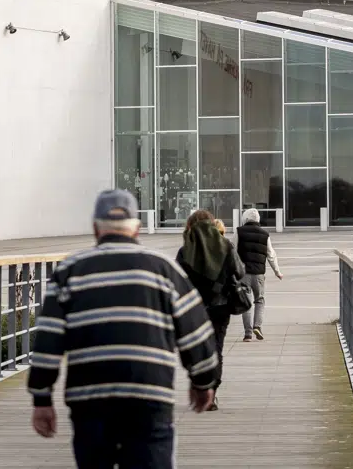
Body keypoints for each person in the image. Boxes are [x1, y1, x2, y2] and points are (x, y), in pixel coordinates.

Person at [28, 189, 218, 469]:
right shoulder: (163, 269)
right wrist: (203, 382)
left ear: (96, 228)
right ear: (137, 228)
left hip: (90, 399)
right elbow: (196, 332)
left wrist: (42, 399)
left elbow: (48, 340)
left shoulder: (70, 271)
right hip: (149, 394)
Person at [176, 209, 245, 410]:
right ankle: (211, 394)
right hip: (220, 306)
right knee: (217, 349)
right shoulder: (226, 246)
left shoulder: (185, 251)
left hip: (193, 309)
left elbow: (178, 280)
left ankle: (200, 387)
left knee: (197, 349)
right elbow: (240, 271)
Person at [235, 208, 282, 342]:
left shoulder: (239, 231)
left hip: (244, 274)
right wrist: (277, 272)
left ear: (245, 218)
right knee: (259, 300)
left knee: (246, 303)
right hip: (259, 274)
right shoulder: (265, 234)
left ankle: (248, 334)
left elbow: (232, 251)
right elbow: (271, 255)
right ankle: (257, 326)